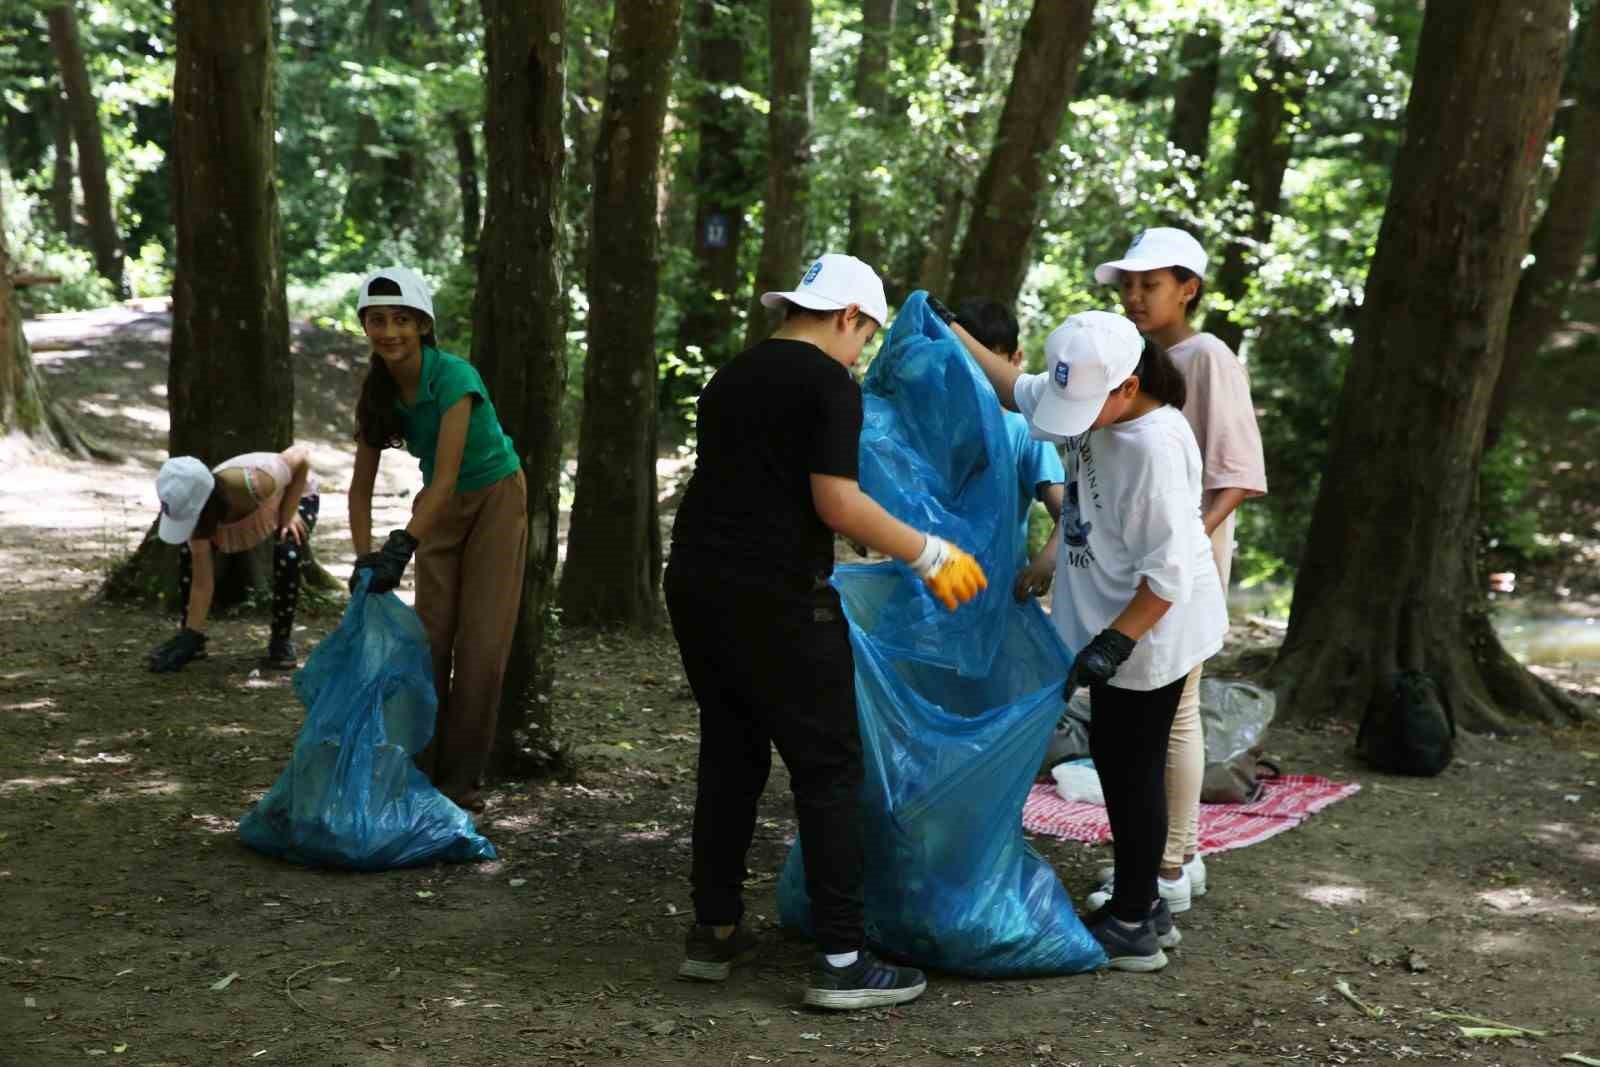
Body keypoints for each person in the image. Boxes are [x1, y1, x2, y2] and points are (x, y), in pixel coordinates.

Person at [666, 254, 986, 1010]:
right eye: (865, 338)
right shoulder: (827, 384)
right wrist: (928, 549)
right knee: (828, 768)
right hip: (777, 597)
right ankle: (844, 958)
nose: (862, 353)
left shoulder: (731, 376)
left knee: (731, 750)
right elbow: (836, 501)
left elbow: (763, 487)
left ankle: (712, 931)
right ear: (848, 318)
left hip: (696, 587)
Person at [944, 301, 1226, 972]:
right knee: (1115, 757)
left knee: (1132, 769)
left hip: (1152, 630)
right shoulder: (1087, 388)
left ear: (1128, 386)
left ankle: (1135, 915)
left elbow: (1168, 575)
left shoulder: (1154, 447)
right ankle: (1142, 903)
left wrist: (1112, 645)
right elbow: (1013, 387)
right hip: (1110, 613)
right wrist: (951, 330)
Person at [1084, 228, 1267, 914]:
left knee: (1176, 705)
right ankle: (1164, 859)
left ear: (1187, 287)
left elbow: (1237, 476)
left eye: (1149, 284)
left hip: (1179, 557)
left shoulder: (1207, 356)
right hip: (1138, 557)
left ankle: (1171, 862)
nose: (1134, 296)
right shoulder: (1133, 358)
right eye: (1126, 284)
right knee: (1154, 711)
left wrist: (1186, 544)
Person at [346, 265, 527, 814]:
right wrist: (363, 556)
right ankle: (418, 771)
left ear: (423, 326)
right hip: (439, 511)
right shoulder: (378, 393)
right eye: (377, 321)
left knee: (482, 649)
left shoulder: (454, 377)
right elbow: (359, 488)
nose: (389, 331)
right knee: (430, 642)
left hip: (495, 496)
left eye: (402, 320)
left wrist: (401, 547)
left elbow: (447, 478)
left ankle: (461, 784)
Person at [148, 448, 319, 673]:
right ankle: (190, 634)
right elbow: (202, 583)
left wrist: (288, 512)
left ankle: (281, 640)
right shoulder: (199, 518)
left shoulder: (257, 482)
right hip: (227, 514)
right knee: (189, 555)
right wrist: (191, 636)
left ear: (204, 508)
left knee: (288, 550)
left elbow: (302, 457)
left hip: (293, 494)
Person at [952, 299, 1065, 602]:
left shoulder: (1026, 432)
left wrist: (1045, 562)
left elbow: (1069, 513)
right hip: (933, 584)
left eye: (986, 366)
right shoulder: (940, 423)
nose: (974, 378)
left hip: (996, 592)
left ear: (1015, 360)